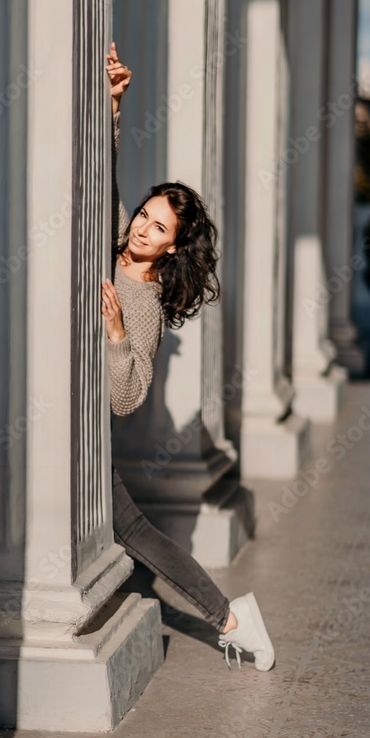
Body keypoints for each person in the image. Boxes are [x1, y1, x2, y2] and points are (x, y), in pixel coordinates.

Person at [102, 42, 275, 672]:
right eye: (145, 215)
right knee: (132, 533)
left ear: (173, 250)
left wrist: (117, 335)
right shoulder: (116, 238)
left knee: (136, 534)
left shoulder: (142, 298)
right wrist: (116, 106)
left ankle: (232, 618)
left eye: (157, 229)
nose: (142, 228)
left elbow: (128, 396)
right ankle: (234, 616)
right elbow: (104, 180)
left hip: (88, 434)